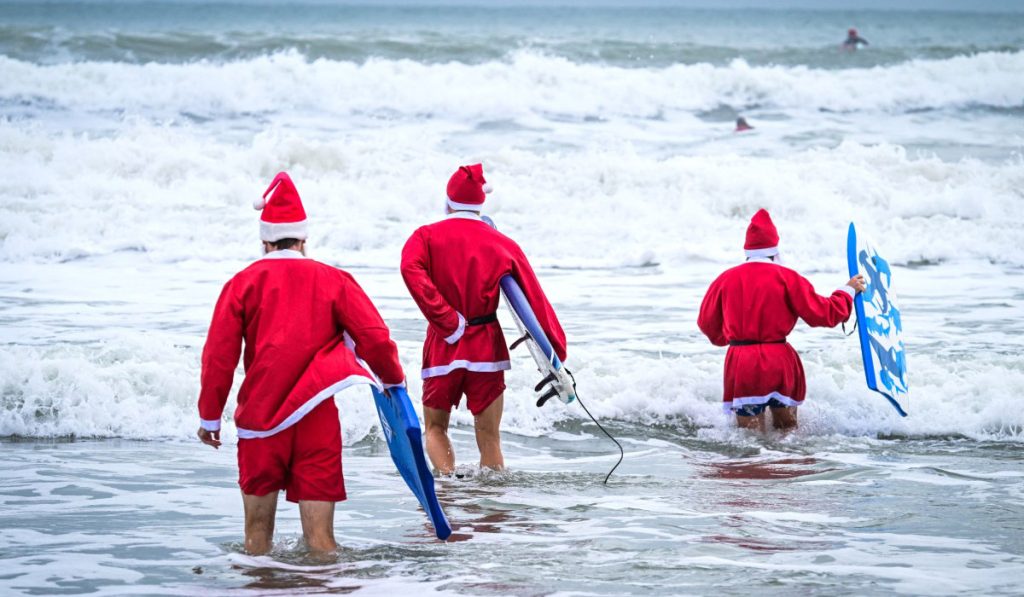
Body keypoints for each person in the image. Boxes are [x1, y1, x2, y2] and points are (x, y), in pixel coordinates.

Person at [196, 172, 405, 555]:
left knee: (256, 540)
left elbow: (218, 357)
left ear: (265, 241)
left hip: (261, 422)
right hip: (316, 421)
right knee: (322, 543)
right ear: (303, 240)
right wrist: (393, 383)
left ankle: (263, 580)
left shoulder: (241, 283)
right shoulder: (335, 279)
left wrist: (210, 417)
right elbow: (375, 337)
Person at [400, 164, 566, 475]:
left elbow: (410, 269)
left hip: (443, 346)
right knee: (490, 437)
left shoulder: (424, 237)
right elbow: (533, 299)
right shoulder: (501, 242)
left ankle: (449, 486)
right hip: (487, 348)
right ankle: (490, 497)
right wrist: (556, 353)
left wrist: (446, 319)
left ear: (448, 202)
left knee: (435, 428)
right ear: (480, 205)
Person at [697, 209, 866, 432]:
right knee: (787, 431)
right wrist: (847, 291)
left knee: (748, 438)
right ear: (774, 249)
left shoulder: (725, 279)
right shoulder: (788, 277)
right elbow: (824, 314)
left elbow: (706, 323)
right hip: (780, 361)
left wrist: (731, 340)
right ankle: (787, 456)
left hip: (742, 363)